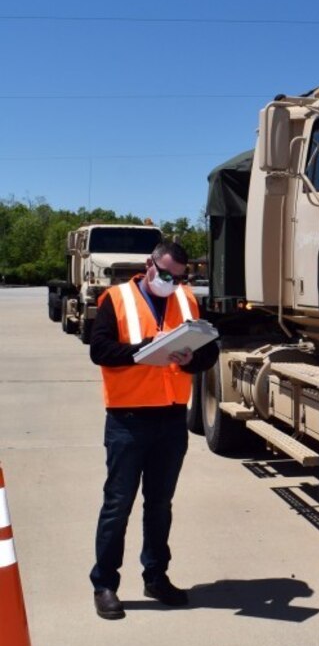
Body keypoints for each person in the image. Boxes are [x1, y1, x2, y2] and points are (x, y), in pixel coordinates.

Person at [88, 241, 218, 620]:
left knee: (159, 505)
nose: (171, 282)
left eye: (178, 277)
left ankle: (156, 576)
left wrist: (191, 357)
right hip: (127, 421)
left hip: (171, 420)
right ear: (149, 265)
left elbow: (209, 353)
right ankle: (105, 584)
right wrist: (144, 349)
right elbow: (100, 350)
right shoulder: (116, 298)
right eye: (165, 274)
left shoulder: (188, 301)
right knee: (118, 504)